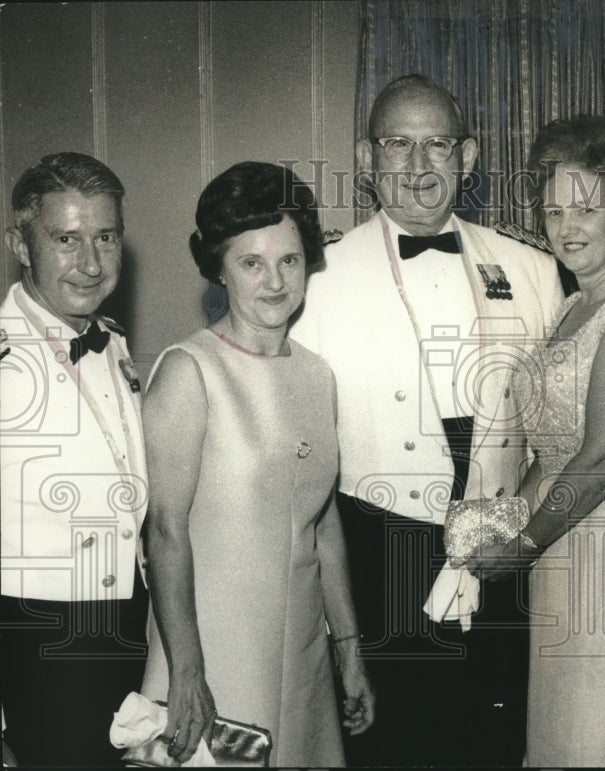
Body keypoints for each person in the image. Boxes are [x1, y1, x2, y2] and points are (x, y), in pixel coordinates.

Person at [290, 74, 563, 766]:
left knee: (497, 739)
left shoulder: (531, 266)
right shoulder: (314, 279)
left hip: (507, 547)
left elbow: (559, 427)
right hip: (378, 548)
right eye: (397, 145)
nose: (417, 167)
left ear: (467, 157)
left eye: (436, 144)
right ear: (365, 156)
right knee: (394, 742)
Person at [140, 161, 374, 766]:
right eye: (252, 263)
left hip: (301, 654)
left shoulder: (316, 374)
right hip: (210, 654)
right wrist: (186, 673)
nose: (274, 281)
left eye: (289, 261)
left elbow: (321, 524)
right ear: (219, 266)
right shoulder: (187, 371)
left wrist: (347, 651)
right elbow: (164, 531)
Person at [465, 115, 605, 766]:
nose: (567, 225)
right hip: (561, 548)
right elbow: (550, 455)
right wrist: (499, 525)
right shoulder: (567, 308)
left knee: (602, 735)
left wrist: (522, 545)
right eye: (554, 209)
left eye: (587, 207)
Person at [0, 152, 148, 766]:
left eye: (105, 237)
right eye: (66, 239)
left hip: (126, 633)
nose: (90, 264)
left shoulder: (112, 344)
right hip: (33, 644)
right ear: (21, 244)